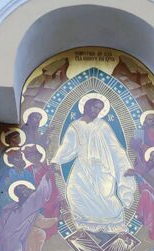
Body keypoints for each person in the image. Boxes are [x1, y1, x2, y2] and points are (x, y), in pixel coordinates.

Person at [51, 94, 136, 234]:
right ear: (87, 106)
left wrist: (125, 167)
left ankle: (114, 228)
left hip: (102, 168)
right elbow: (66, 147)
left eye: (99, 109)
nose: (96, 111)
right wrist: (56, 161)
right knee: (74, 192)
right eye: (95, 107)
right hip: (82, 168)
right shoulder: (75, 126)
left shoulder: (103, 126)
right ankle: (84, 228)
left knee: (105, 197)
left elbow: (115, 148)